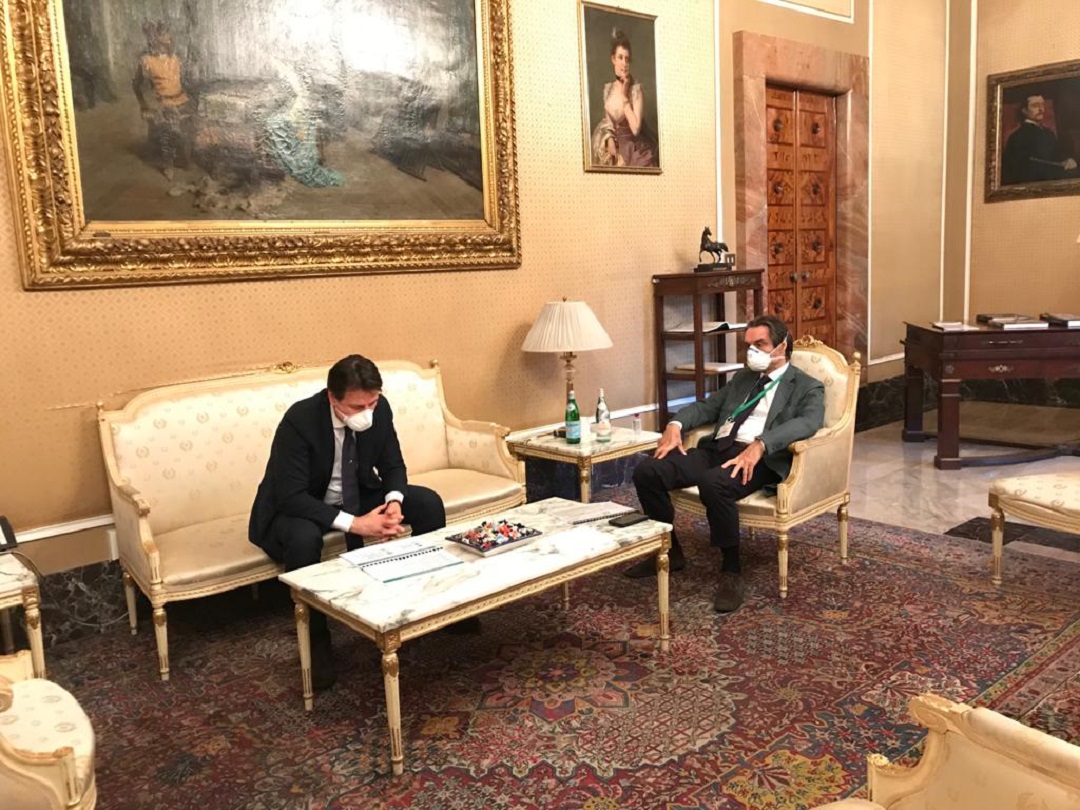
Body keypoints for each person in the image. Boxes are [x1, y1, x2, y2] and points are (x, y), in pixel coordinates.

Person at [249, 355, 446, 690]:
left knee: (427, 502)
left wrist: (394, 503)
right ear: (332, 397)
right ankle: (316, 639)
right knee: (302, 538)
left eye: (372, 403)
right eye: (357, 407)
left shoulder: (380, 409)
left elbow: (393, 465)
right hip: (301, 505)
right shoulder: (300, 420)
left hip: (358, 494)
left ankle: (432, 605)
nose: (367, 413)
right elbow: (291, 496)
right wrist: (356, 524)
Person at [624, 315, 825, 613]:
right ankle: (668, 550)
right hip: (718, 448)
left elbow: (808, 422)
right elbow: (707, 407)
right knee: (648, 470)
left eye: (760, 344)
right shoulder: (743, 379)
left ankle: (731, 571)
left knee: (714, 483)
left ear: (782, 346)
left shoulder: (807, 386)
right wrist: (675, 425)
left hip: (758, 459)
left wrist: (762, 443)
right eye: (748, 345)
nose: (752, 352)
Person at [132, 22, 196, 181]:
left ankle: (185, 158)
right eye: (164, 38)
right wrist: (144, 105)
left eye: (169, 38)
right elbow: (137, 85)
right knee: (168, 129)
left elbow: (185, 81)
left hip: (180, 99)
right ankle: (168, 164)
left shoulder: (175, 58)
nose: (168, 41)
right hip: (162, 103)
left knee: (190, 127)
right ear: (155, 40)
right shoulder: (147, 61)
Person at [590, 29, 658, 168]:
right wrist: (609, 139)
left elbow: (635, 129)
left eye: (627, 59)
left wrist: (624, 95)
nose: (624, 63)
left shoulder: (636, 90)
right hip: (616, 146)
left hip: (634, 149)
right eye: (620, 57)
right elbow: (609, 122)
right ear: (613, 59)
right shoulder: (608, 89)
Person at [1001, 94, 1078, 185]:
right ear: (1024, 110)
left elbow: (1057, 155)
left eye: (1042, 105)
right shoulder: (1017, 136)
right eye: (1035, 106)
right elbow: (1018, 169)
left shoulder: (1049, 133)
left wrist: (1068, 160)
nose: (1041, 109)